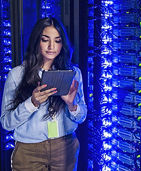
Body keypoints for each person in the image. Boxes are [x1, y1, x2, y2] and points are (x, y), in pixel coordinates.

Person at [0, 17, 87, 171]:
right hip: (29, 151)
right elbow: (6, 123)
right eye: (45, 40)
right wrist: (31, 103)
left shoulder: (74, 73)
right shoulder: (17, 75)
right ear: (36, 41)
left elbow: (81, 117)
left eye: (57, 40)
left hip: (65, 148)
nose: (51, 46)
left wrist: (71, 104)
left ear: (62, 44)